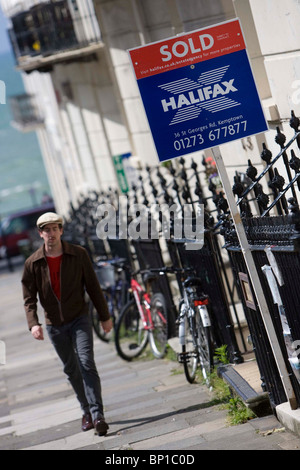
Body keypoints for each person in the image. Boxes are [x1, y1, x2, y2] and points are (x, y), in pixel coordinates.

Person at [21, 212, 112, 436]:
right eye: (46, 230)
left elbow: (93, 287)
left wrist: (104, 316)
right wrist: (34, 323)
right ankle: (86, 411)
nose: (51, 234)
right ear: (40, 233)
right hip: (54, 325)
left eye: (54, 229)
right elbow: (28, 298)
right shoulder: (33, 263)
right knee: (71, 369)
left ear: (61, 230)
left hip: (79, 318)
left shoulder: (78, 254)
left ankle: (97, 414)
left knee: (86, 363)